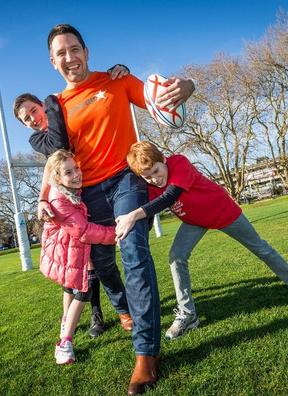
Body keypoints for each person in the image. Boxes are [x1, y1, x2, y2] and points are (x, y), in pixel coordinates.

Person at [37, 24, 195, 394]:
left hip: (126, 181)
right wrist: (45, 196)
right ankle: (125, 311)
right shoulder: (57, 106)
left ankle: (146, 353)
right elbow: (56, 160)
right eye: (61, 53)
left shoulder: (116, 81)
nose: (69, 57)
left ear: (86, 51)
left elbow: (160, 98)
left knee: (134, 252)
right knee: (102, 266)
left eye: (74, 49)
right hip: (88, 194)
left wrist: (186, 86)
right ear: (52, 61)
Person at [116, 141, 288, 341]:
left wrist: (132, 215)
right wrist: (126, 234)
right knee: (176, 257)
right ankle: (188, 314)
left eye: (155, 171)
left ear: (163, 160)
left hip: (222, 211)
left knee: (262, 249)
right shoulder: (151, 186)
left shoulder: (178, 162)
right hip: (194, 221)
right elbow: (151, 213)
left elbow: (170, 197)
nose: (154, 179)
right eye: (147, 177)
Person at [13, 64, 132, 339]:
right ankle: (97, 313)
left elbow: (91, 100)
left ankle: (114, 309)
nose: (32, 119)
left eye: (34, 110)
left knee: (96, 262)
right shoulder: (40, 136)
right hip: (73, 200)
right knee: (86, 263)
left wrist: (115, 72)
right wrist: (54, 103)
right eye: (25, 118)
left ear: (39, 105)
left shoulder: (66, 112)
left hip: (101, 182)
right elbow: (56, 149)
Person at [39, 149, 117, 364]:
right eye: (68, 172)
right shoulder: (59, 200)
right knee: (83, 292)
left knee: (69, 287)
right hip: (69, 251)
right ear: (57, 178)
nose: (76, 174)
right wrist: (115, 234)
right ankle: (65, 343)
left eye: (76, 168)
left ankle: (66, 321)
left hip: (70, 250)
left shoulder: (68, 192)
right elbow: (84, 231)